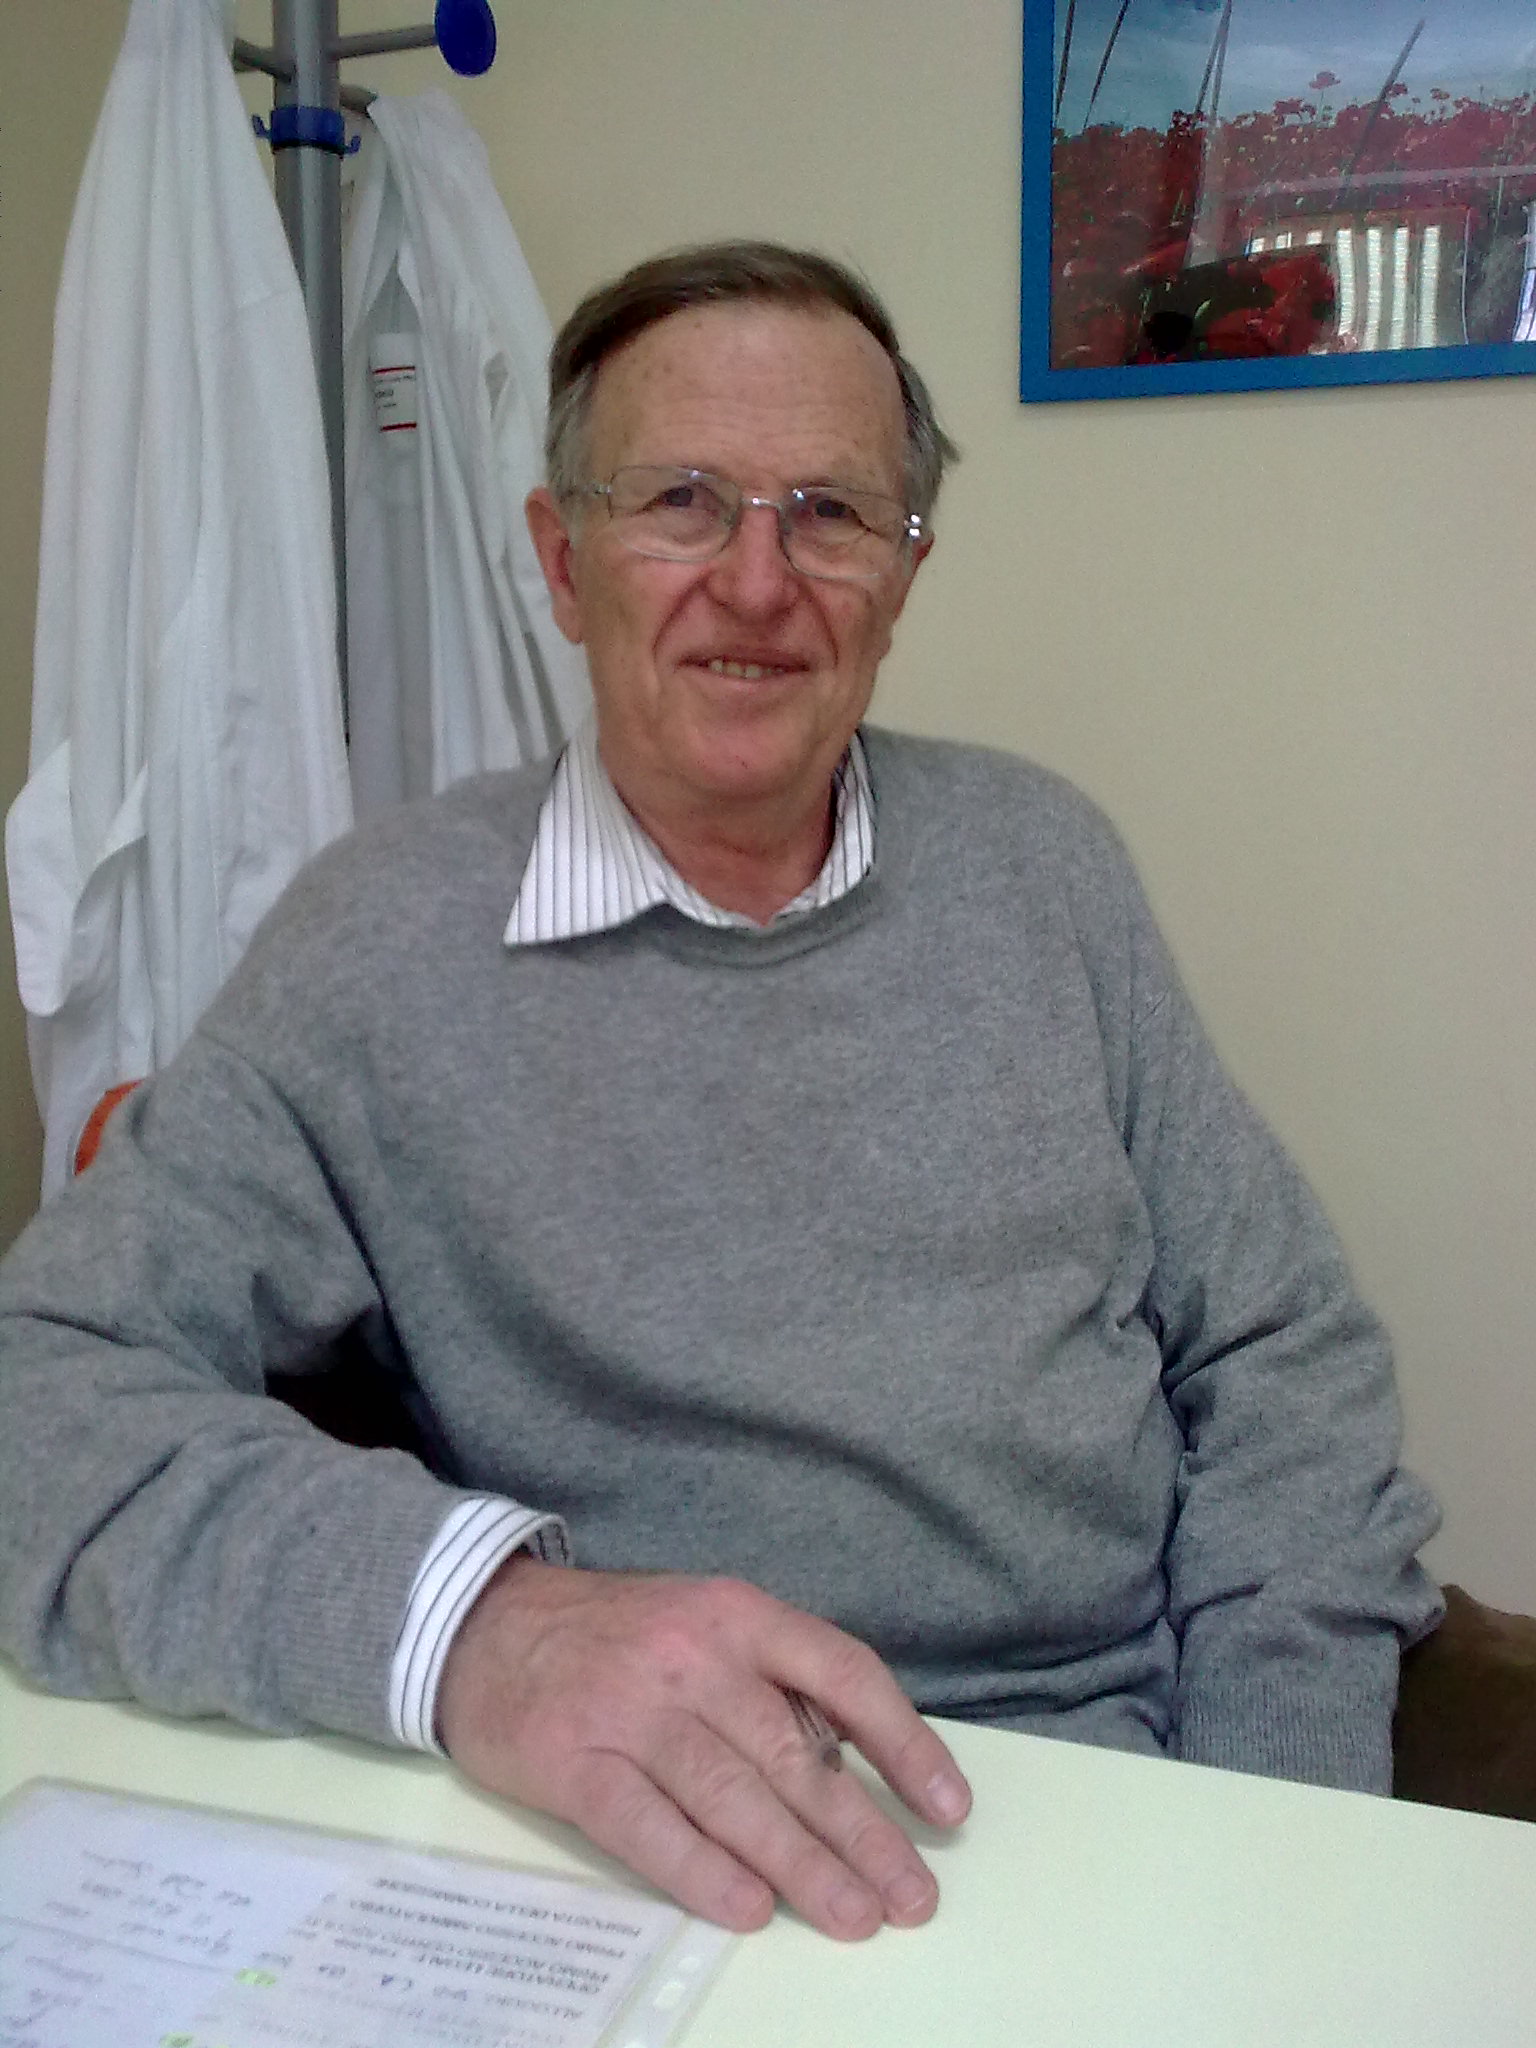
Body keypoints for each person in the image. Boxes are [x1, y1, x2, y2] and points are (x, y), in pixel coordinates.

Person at [0, 241, 1441, 1945]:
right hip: (613, 1846)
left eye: (831, 515)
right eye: (681, 501)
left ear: (904, 574)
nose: (759, 584)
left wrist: (1277, 1827)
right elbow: (41, 1398)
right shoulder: (379, 946)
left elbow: (1285, 1361)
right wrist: (487, 1631)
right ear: (563, 561)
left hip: (1083, 1796)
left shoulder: (1046, 871)